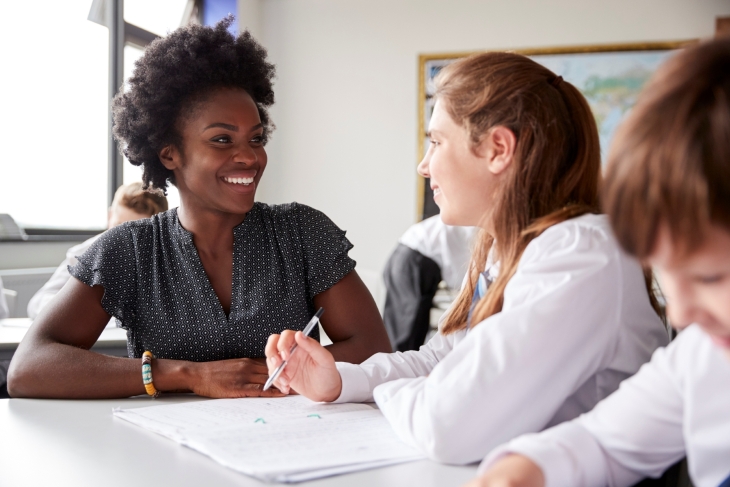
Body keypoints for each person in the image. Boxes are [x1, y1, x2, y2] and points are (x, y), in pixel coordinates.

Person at [264, 51, 669, 464]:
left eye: (436, 142)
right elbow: (443, 356)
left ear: (498, 149)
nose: (424, 165)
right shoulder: (506, 250)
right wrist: (340, 381)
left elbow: (447, 426)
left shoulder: (580, 254)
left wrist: (391, 393)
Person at [7, 18, 390, 399]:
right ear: (169, 153)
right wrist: (188, 375)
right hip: (167, 452)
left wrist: (266, 373)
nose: (249, 157)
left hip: (288, 445)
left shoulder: (301, 232)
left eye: (256, 139)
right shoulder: (129, 250)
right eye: (222, 139)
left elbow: (373, 347)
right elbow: (29, 368)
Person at [471, 37, 730, 487]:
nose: (682, 315)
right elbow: (603, 442)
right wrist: (519, 473)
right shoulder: (706, 353)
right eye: (668, 275)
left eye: (711, 276)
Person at [27, 182, 168, 320]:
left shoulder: (169, 260)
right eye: (118, 228)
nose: (124, 240)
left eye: (137, 234)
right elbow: (38, 303)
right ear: (110, 216)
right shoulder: (83, 252)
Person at [383, 215, 476, 351]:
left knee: (404, 330)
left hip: (407, 253)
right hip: (415, 258)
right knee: (406, 335)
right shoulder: (481, 226)